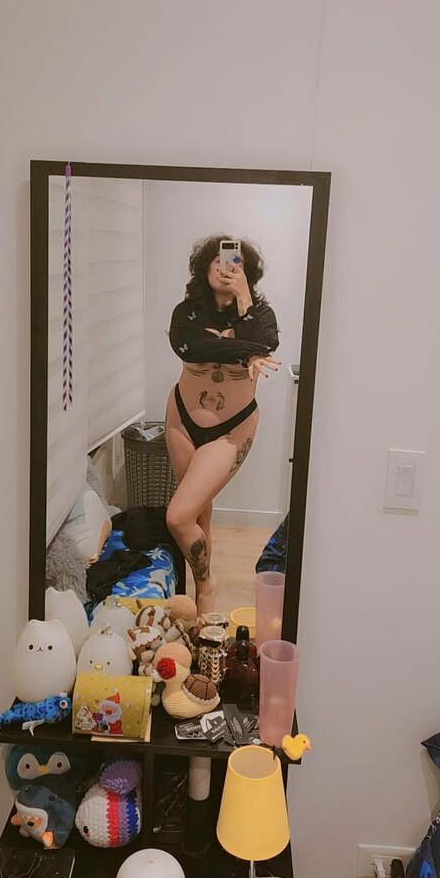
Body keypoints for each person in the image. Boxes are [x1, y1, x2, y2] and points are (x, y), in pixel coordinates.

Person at [164, 235, 280, 615]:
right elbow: (190, 348)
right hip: (182, 419)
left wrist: (244, 300)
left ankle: (207, 584)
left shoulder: (262, 317)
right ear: (204, 267)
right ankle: (200, 590)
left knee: (178, 515)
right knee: (198, 512)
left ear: (248, 273)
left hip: (232, 429)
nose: (224, 265)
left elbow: (265, 345)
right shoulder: (186, 314)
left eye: (234, 261)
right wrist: (245, 351)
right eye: (216, 259)